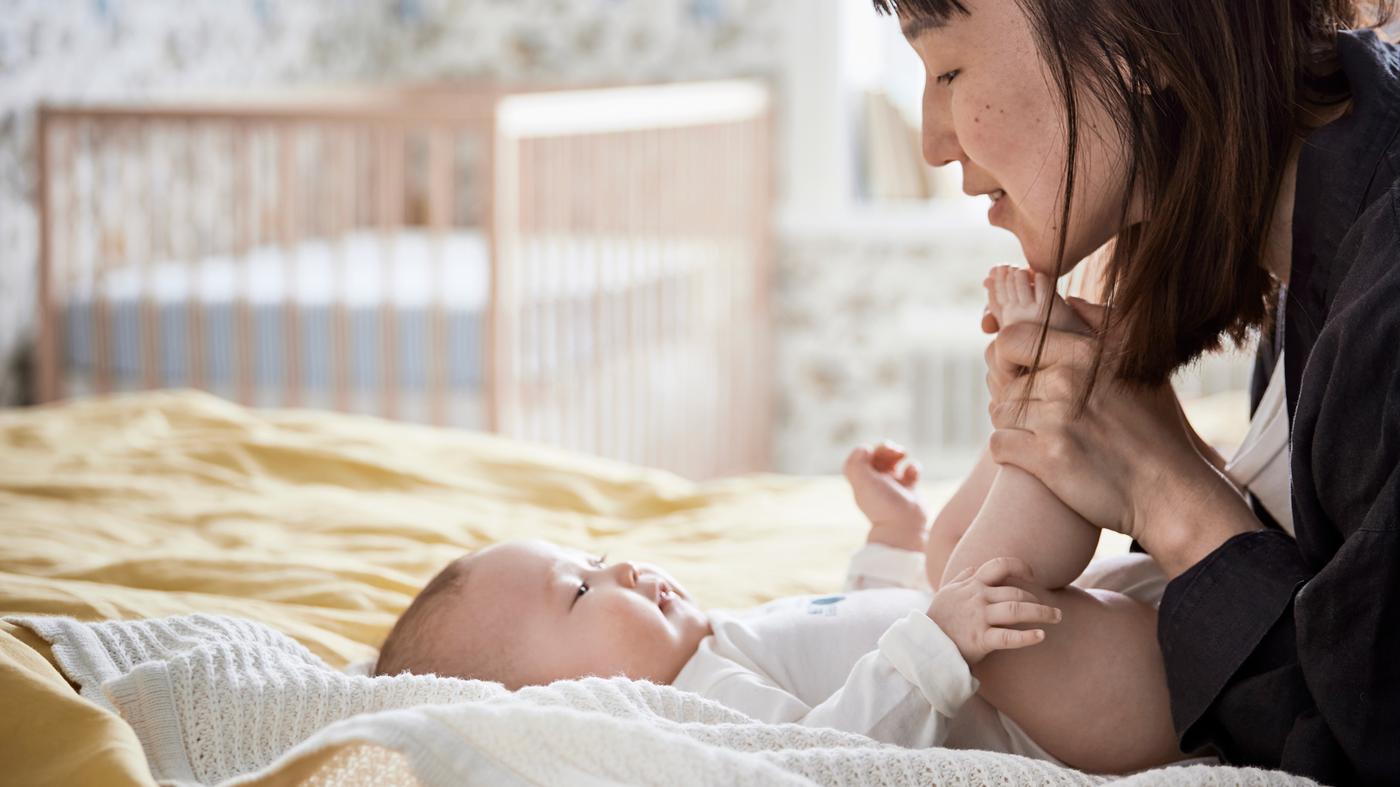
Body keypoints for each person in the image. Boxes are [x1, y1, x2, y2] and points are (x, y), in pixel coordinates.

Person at [875, 0, 1400, 781]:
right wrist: (1154, 448)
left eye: (950, 68)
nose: (933, 142)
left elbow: (1367, 743)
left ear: (1135, 38)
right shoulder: (1325, 237)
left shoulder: (1383, 300)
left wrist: (1165, 493)